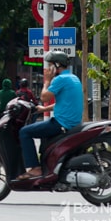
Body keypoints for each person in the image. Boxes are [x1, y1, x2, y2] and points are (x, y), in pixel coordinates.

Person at [16, 51, 83, 180]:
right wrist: (44, 110)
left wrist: (46, 81)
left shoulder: (60, 79)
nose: (47, 68)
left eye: (50, 64)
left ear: (56, 65)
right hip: (72, 122)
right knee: (42, 133)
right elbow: (65, 103)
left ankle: (35, 168)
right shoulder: (73, 78)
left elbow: (44, 97)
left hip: (62, 123)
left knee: (24, 132)